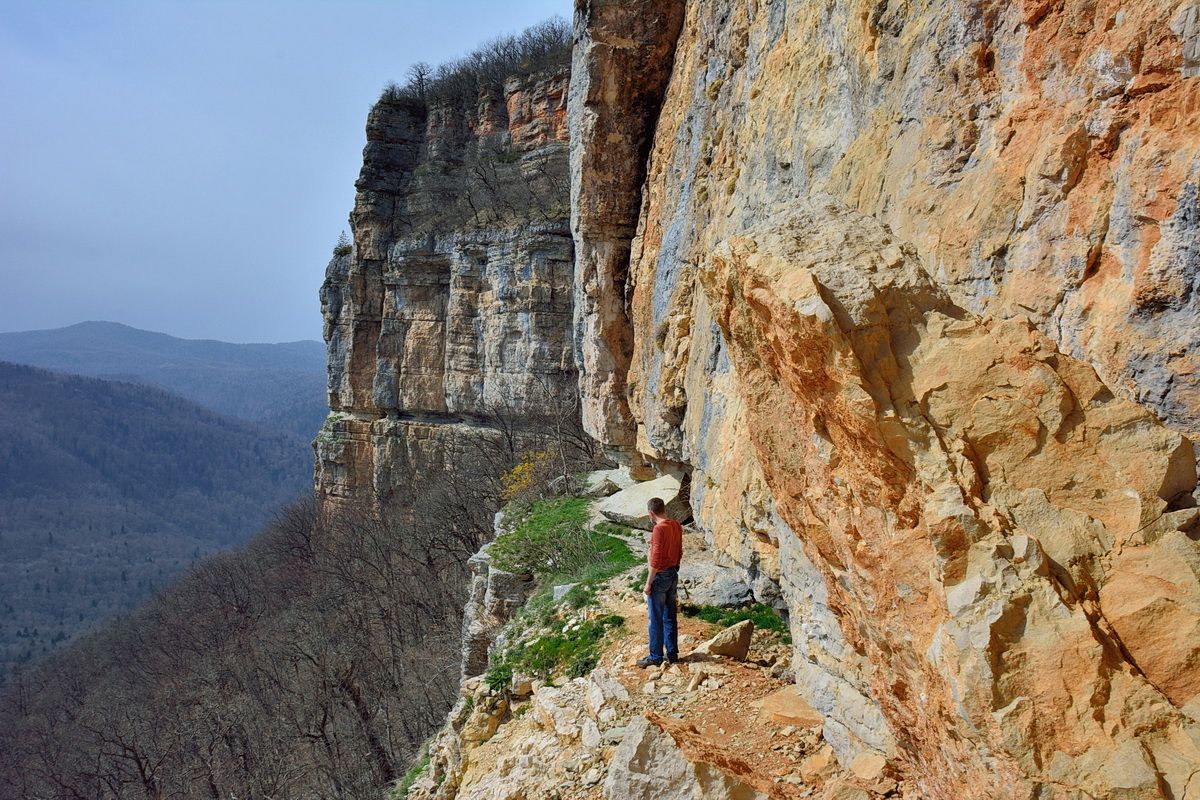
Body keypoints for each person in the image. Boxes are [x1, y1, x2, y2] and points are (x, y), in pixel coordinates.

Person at [638, 496, 683, 668]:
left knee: (655, 618)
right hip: (673, 573)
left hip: (661, 576)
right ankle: (672, 654)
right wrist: (675, 567)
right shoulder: (676, 525)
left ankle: (655, 656)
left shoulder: (659, 529)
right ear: (663, 509)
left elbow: (655, 559)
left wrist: (649, 583)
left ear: (651, 513)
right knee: (670, 616)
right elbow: (680, 550)